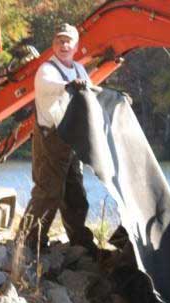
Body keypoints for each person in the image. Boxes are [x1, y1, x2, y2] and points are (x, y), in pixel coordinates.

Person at [22, 23, 98, 255]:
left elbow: (91, 93)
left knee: (75, 192)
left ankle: (79, 241)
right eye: (59, 41)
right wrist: (68, 85)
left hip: (72, 139)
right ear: (53, 45)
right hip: (51, 138)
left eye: (68, 41)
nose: (64, 45)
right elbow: (49, 86)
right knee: (48, 192)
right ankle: (29, 242)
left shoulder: (79, 69)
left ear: (76, 46)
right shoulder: (47, 69)